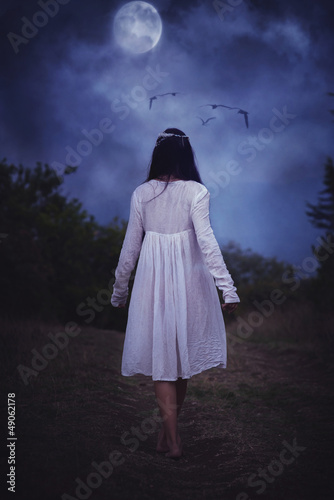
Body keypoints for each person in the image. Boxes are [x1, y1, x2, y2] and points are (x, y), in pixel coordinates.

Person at [111, 128, 240, 459]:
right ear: (187, 156)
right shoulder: (196, 191)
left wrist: (120, 290)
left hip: (153, 284)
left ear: (158, 156)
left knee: (171, 363)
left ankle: (167, 436)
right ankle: (174, 441)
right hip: (189, 285)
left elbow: (130, 248)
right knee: (174, 364)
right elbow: (207, 242)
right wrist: (227, 288)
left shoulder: (142, 193)